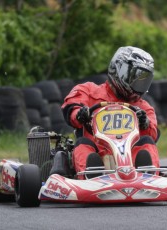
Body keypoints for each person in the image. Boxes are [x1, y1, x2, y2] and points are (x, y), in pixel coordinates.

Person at [61, 46, 159, 178]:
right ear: (119, 70)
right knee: (83, 144)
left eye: (143, 80)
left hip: (129, 160)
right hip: (96, 153)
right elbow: (71, 109)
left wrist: (144, 124)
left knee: (147, 141)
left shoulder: (143, 107)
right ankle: (91, 177)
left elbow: (153, 134)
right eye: (135, 77)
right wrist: (80, 114)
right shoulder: (89, 90)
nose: (139, 84)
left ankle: (148, 177)